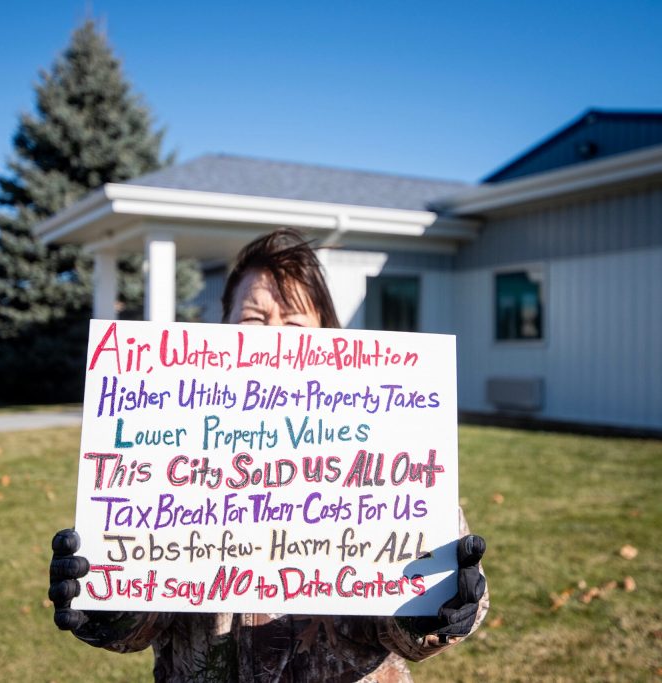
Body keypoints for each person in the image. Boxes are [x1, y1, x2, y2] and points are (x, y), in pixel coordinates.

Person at [49, 228, 489, 682]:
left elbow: (419, 610)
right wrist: (106, 602)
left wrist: (439, 608)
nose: (274, 337)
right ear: (223, 331)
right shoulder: (170, 439)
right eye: (254, 319)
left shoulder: (387, 433)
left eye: (296, 322)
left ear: (330, 337)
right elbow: (142, 616)